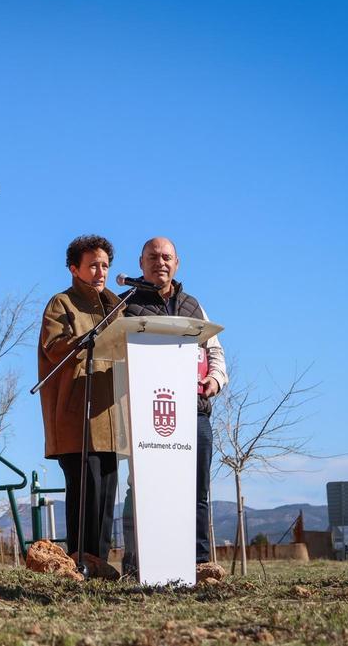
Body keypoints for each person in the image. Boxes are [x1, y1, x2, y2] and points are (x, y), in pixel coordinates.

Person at [120, 236, 228, 576]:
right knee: (143, 490)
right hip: (145, 414)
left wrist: (216, 379)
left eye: (167, 257)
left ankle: (198, 563)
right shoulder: (125, 305)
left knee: (197, 491)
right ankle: (138, 564)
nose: (160, 262)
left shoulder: (193, 306)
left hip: (194, 412)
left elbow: (214, 351)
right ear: (141, 263)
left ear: (178, 264)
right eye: (152, 257)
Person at [37, 235, 123, 578]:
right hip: (76, 417)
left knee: (106, 495)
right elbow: (54, 347)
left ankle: (99, 561)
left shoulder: (118, 306)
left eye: (104, 265)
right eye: (93, 265)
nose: (100, 271)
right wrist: (87, 341)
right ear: (74, 269)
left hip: (111, 415)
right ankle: (77, 562)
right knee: (84, 491)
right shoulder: (62, 304)